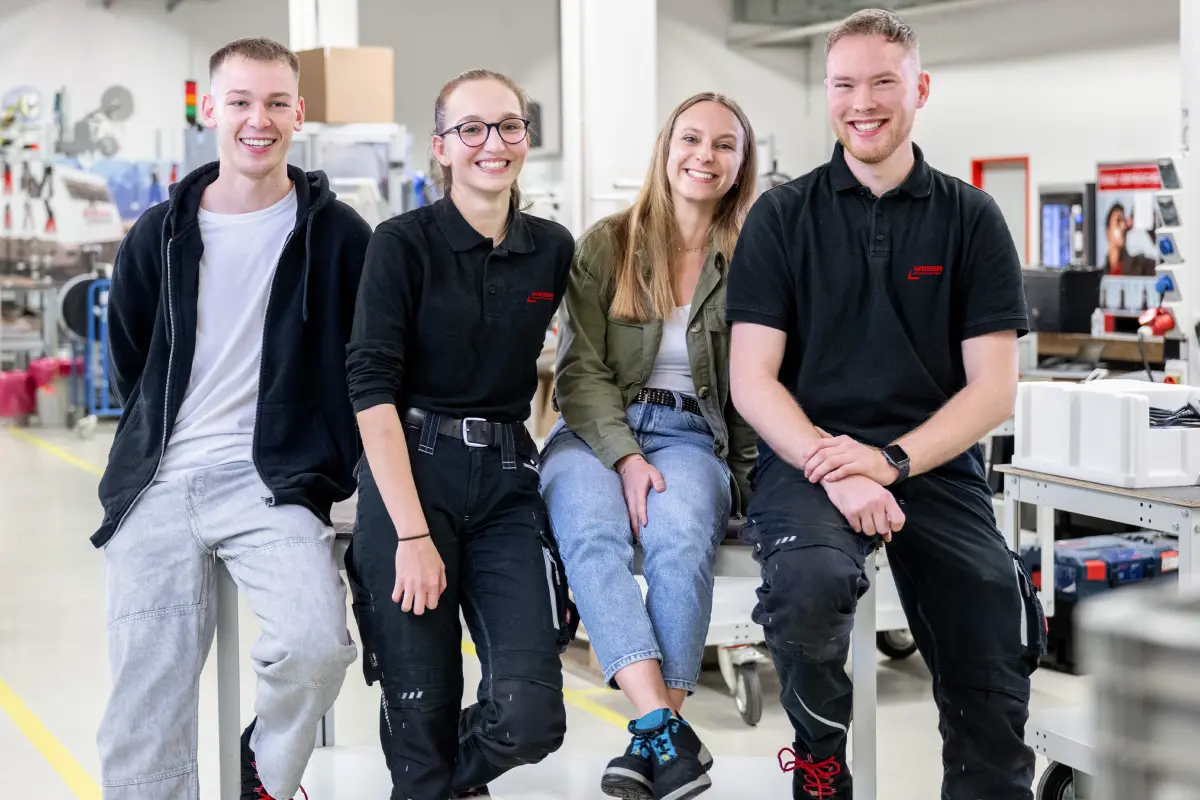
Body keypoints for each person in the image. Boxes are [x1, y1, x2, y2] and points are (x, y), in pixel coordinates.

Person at [725, 9, 1046, 800]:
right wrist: (836, 466)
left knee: (993, 616)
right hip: (806, 461)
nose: (861, 102)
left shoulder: (970, 219)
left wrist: (893, 460)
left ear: (920, 89)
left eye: (881, 82)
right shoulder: (781, 216)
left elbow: (993, 388)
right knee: (807, 592)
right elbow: (753, 380)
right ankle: (821, 771)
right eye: (843, 84)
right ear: (826, 94)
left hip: (932, 466)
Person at [93, 38, 368, 800]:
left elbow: (365, 362)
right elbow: (132, 357)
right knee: (145, 699)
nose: (259, 119)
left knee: (316, 649)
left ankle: (268, 772)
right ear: (210, 110)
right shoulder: (159, 233)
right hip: (161, 481)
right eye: (241, 102)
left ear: (299, 115)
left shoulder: (341, 236)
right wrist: (155, 443)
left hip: (272, 480)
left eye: (277, 102)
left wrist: (340, 472)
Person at [344, 69, 576, 800]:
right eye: (470, 129)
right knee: (420, 711)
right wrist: (412, 537)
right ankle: (427, 778)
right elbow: (371, 388)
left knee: (531, 716)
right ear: (441, 148)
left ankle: (433, 783)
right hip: (414, 476)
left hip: (508, 481)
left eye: (509, 126)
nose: (492, 143)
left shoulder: (552, 249)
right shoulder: (400, 244)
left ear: (526, 139)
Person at [539, 92, 759, 800]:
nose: (705, 156)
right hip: (595, 431)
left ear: (741, 162)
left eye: (724, 144)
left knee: (679, 537)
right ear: (666, 149)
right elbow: (579, 371)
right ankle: (666, 732)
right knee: (592, 534)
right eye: (691, 139)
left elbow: (763, 380)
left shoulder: (754, 257)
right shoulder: (609, 244)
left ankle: (656, 736)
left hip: (696, 435)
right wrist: (626, 457)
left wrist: (755, 486)